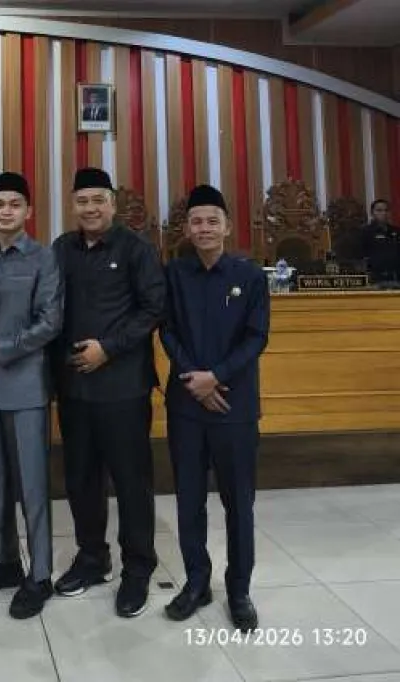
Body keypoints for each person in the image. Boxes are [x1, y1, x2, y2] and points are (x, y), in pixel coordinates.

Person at [51, 167, 165, 618]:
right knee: (81, 479)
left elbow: (153, 308)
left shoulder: (137, 249)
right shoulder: (62, 248)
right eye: (82, 201)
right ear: (72, 205)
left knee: (131, 481)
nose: (90, 208)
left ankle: (138, 568)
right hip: (74, 388)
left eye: (98, 199)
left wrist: (108, 348)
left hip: (123, 387)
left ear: (113, 204)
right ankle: (92, 558)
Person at [160, 184, 270, 633]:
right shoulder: (174, 273)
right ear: (186, 229)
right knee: (189, 500)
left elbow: (256, 337)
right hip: (187, 405)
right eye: (196, 221)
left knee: (238, 503)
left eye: (212, 221)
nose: (204, 228)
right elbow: (167, 331)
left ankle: (239, 590)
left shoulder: (250, 275)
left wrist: (216, 376)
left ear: (227, 227)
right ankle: (196, 582)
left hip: (234, 407)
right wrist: (195, 379)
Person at [0, 171, 63, 619]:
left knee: (32, 485)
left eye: (14, 204)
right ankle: (2, 562)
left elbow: (50, 322)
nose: (6, 211)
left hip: (26, 387)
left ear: (28, 211)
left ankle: (39, 574)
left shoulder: (44, 258)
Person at [361, 199, 400, 282]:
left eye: (386, 210)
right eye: (379, 210)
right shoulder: (365, 232)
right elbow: (361, 256)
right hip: (376, 278)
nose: (384, 213)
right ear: (372, 213)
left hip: (396, 276)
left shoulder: (396, 231)